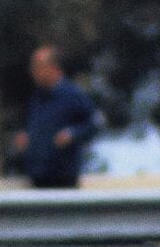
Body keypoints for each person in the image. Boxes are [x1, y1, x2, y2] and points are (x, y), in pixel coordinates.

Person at [13, 45, 100, 188]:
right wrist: (26, 138)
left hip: (63, 179)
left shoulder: (72, 95)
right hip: (38, 178)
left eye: (38, 66)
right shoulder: (36, 98)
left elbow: (93, 125)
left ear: (53, 68)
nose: (33, 72)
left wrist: (72, 134)